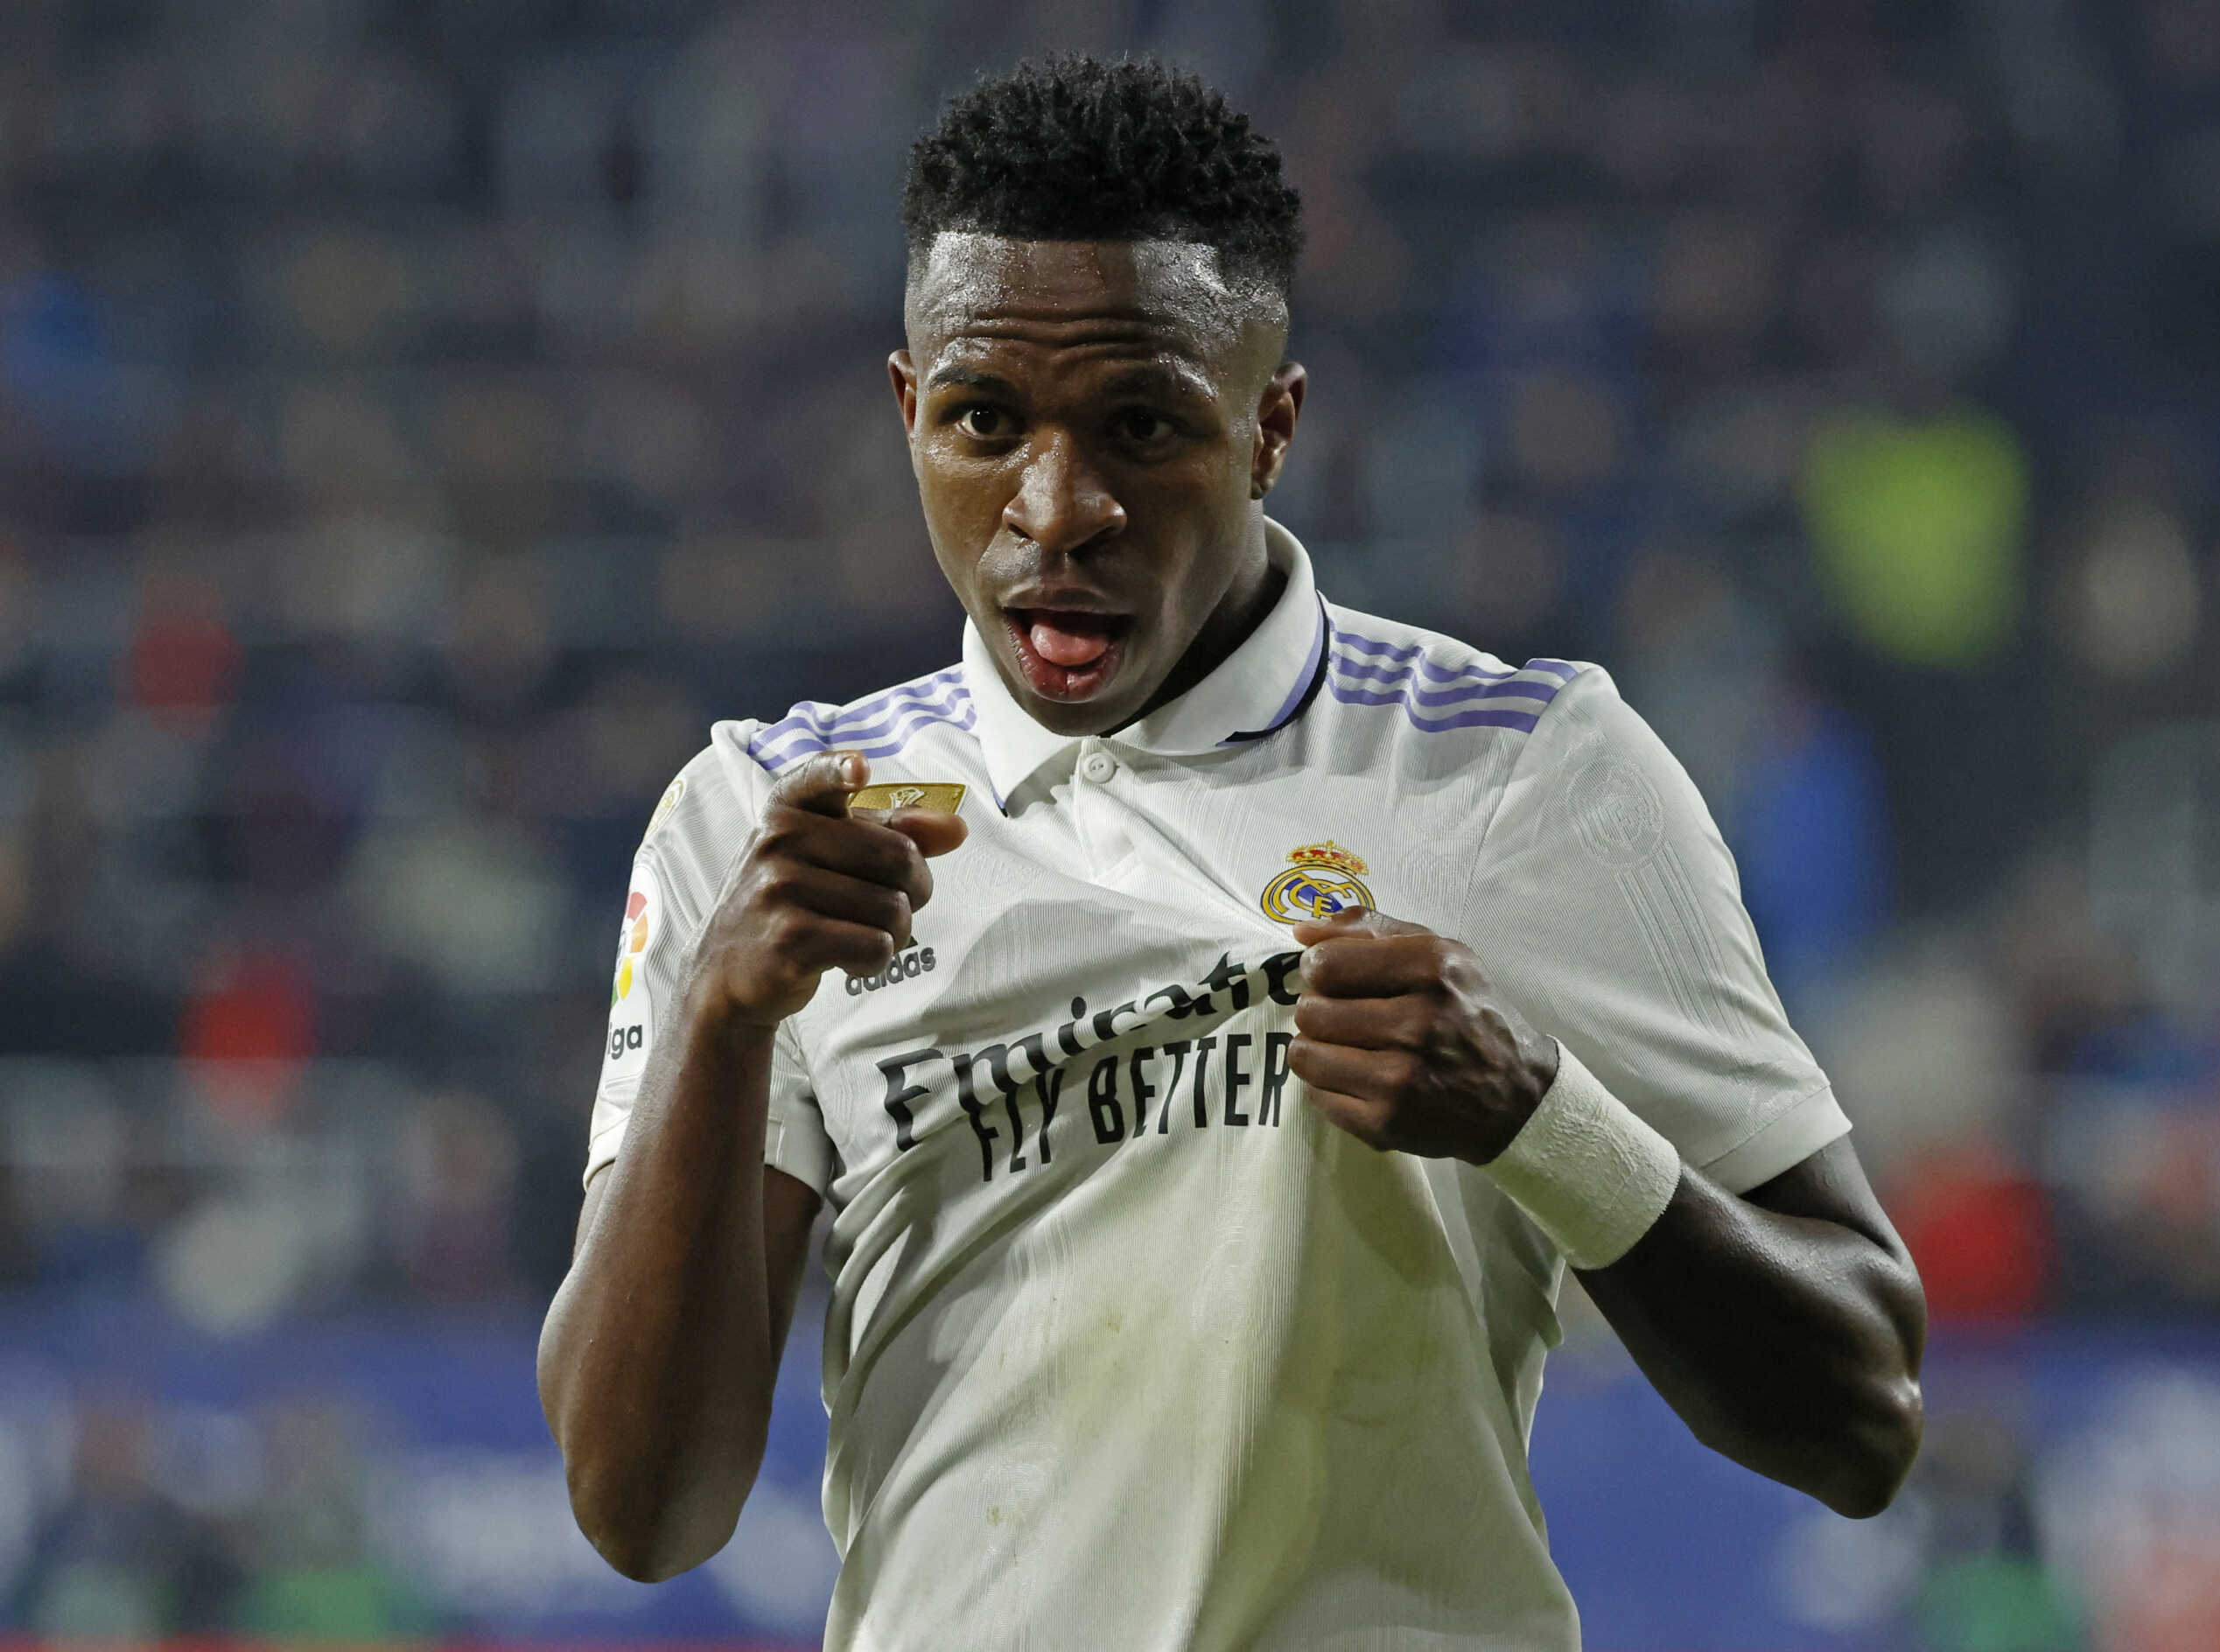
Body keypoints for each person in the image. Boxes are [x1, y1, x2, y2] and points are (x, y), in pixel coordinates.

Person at [537, 56, 1926, 1652]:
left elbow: (1866, 1415)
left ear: (1271, 431)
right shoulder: (770, 815)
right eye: (985, 420)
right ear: (908, 409)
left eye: (1142, 425)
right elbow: (643, 1512)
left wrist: (1543, 1117)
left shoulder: (1524, 772)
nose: (1056, 510)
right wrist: (723, 1015)